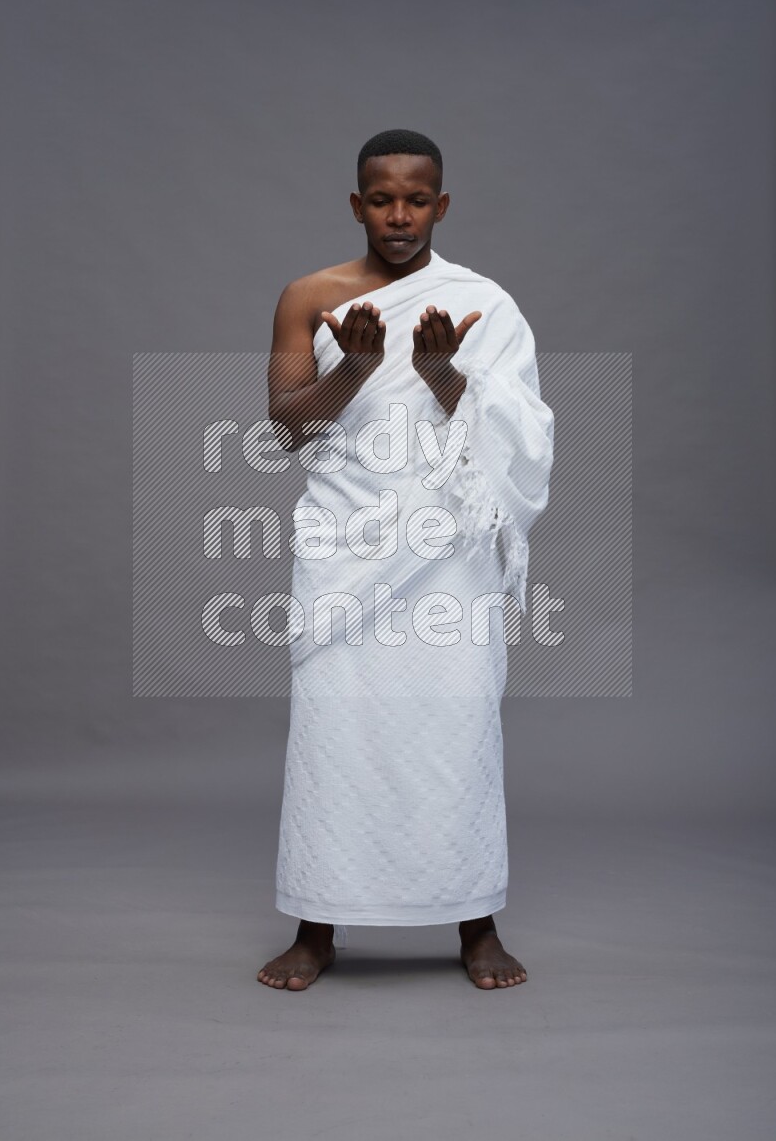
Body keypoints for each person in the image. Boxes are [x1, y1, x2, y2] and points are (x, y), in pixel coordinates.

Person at [257, 129, 554, 990]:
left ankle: (475, 922)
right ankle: (316, 927)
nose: (398, 215)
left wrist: (441, 373)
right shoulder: (308, 297)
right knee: (333, 733)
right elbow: (288, 428)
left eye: (416, 199)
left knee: (453, 731)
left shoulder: (482, 304)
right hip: (343, 548)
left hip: (445, 556)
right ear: (356, 204)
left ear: (442, 204)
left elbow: (521, 434)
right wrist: (350, 367)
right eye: (381, 199)